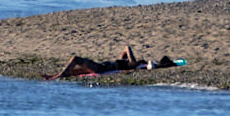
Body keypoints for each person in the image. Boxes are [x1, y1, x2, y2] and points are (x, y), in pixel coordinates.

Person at [44, 45, 177, 79]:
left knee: (75, 59)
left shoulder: (132, 64)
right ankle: (55, 75)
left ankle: (57, 76)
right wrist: (126, 57)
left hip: (101, 68)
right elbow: (124, 53)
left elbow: (127, 47)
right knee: (73, 72)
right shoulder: (126, 63)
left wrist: (134, 60)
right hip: (101, 68)